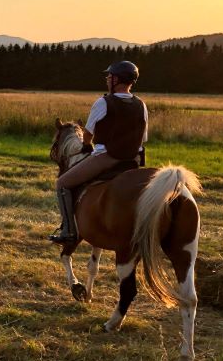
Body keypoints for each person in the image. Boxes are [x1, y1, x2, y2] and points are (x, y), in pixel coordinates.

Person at [49, 61, 148, 245]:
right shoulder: (141, 104)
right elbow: (144, 138)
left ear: (117, 79)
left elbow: (88, 134)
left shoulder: (103, 102)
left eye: (110, 76)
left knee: (62, 183)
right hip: (134, 161)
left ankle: (68, 231)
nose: (107, 79)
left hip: (107, 158)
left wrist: (87, 145)